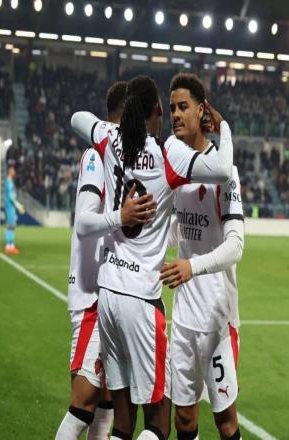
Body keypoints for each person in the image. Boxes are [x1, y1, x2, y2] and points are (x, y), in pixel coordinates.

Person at [71, 75, 234, 440]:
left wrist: (110, 129)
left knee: (122, 422)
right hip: (142, 298)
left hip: (108, 294)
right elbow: (223, 169)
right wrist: (224, 128)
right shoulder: (167, 153)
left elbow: (77, 119)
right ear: (158, 110)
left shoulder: (111, 139)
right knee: (158, 423)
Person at [56, 81, 158, 440]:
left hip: (111, 294)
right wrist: (121, 216)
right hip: (92, 297)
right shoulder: (98, 156)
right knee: (82, 405)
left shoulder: (124, 158)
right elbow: (84, 222)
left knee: (106, 406)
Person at [160, 73, 244, 440]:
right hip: (183, 318)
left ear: (201, 111)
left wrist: (191, 267)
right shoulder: (176, 168)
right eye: (172, 108)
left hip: (217, 318)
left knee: (225, 421)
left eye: (183, 107)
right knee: (183, 419)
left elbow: (236, 246)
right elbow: (178, 228)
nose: (176, 115)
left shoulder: (226, 172)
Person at [4, 164, 25, 254]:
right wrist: (18, 205)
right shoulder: (9, 182)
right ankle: (9, 246)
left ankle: (10, 245)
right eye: (13, 170)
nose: (14, 172)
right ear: (10, 171)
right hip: (10, 207)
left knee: (11, 226)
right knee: (10, 226)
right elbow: (10, 196)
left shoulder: (9, 181)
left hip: (10, 206)